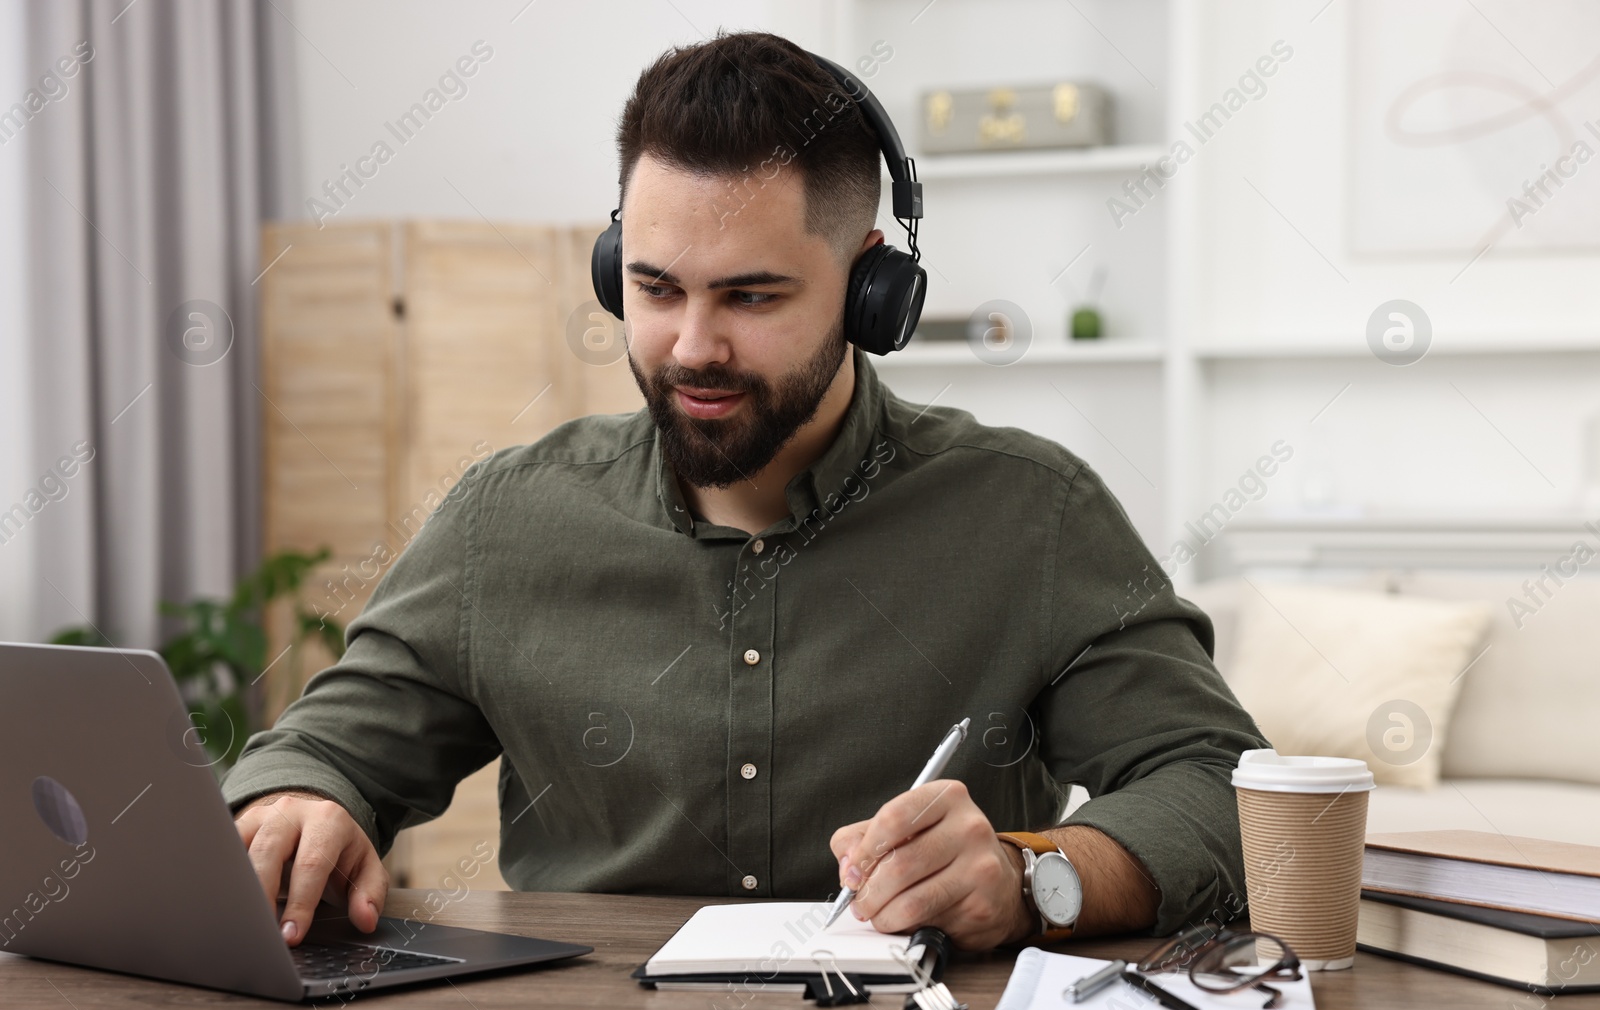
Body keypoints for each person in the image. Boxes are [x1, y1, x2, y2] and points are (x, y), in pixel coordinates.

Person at [224, 30, 1269, 954]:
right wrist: (302, 800)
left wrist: (1032, 873)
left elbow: (1226, 791)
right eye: (654, 287)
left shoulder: (1029, 513)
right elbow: (326, 747)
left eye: (751, 295)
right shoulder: (504, 518)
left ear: (873, 289)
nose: (691, 347)